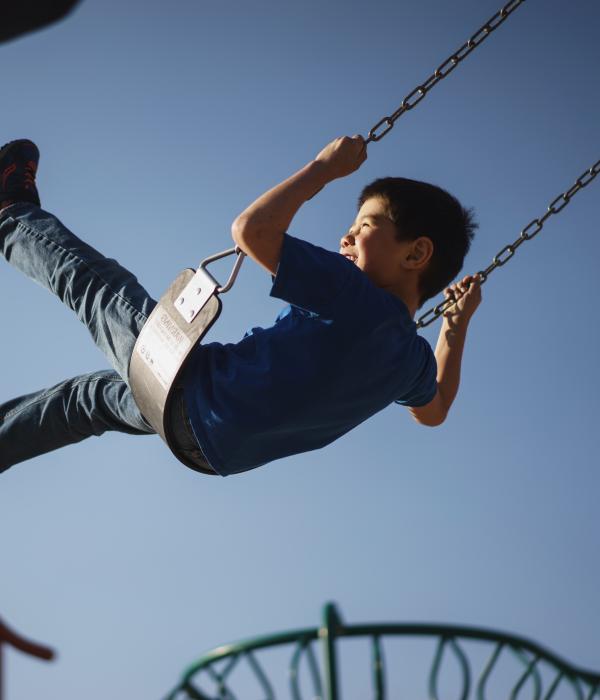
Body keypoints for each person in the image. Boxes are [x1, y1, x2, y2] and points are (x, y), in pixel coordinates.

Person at [0, 136, 481, 476]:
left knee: (97, 286)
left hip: (196, 391)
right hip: (210, 450)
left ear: (416, 253)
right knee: (85, 402)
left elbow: (252, 231)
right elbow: (434, 409)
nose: (347, 235)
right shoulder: (411, 361)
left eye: (366, 225)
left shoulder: (353, 295)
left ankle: (11, 216)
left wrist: (324, 169)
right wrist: (453, 333)